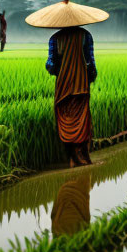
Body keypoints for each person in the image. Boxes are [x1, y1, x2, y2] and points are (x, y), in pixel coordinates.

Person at [46, 22, 98, 167]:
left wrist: (62, 70)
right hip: (81, 84)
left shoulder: (54, 38)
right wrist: (89, 76)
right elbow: (91, 63)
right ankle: (82, 155)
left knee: (65, 117)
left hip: (63, 86)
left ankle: (71, 156)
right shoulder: (86, 35)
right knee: (82, 118)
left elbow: (50, 65)